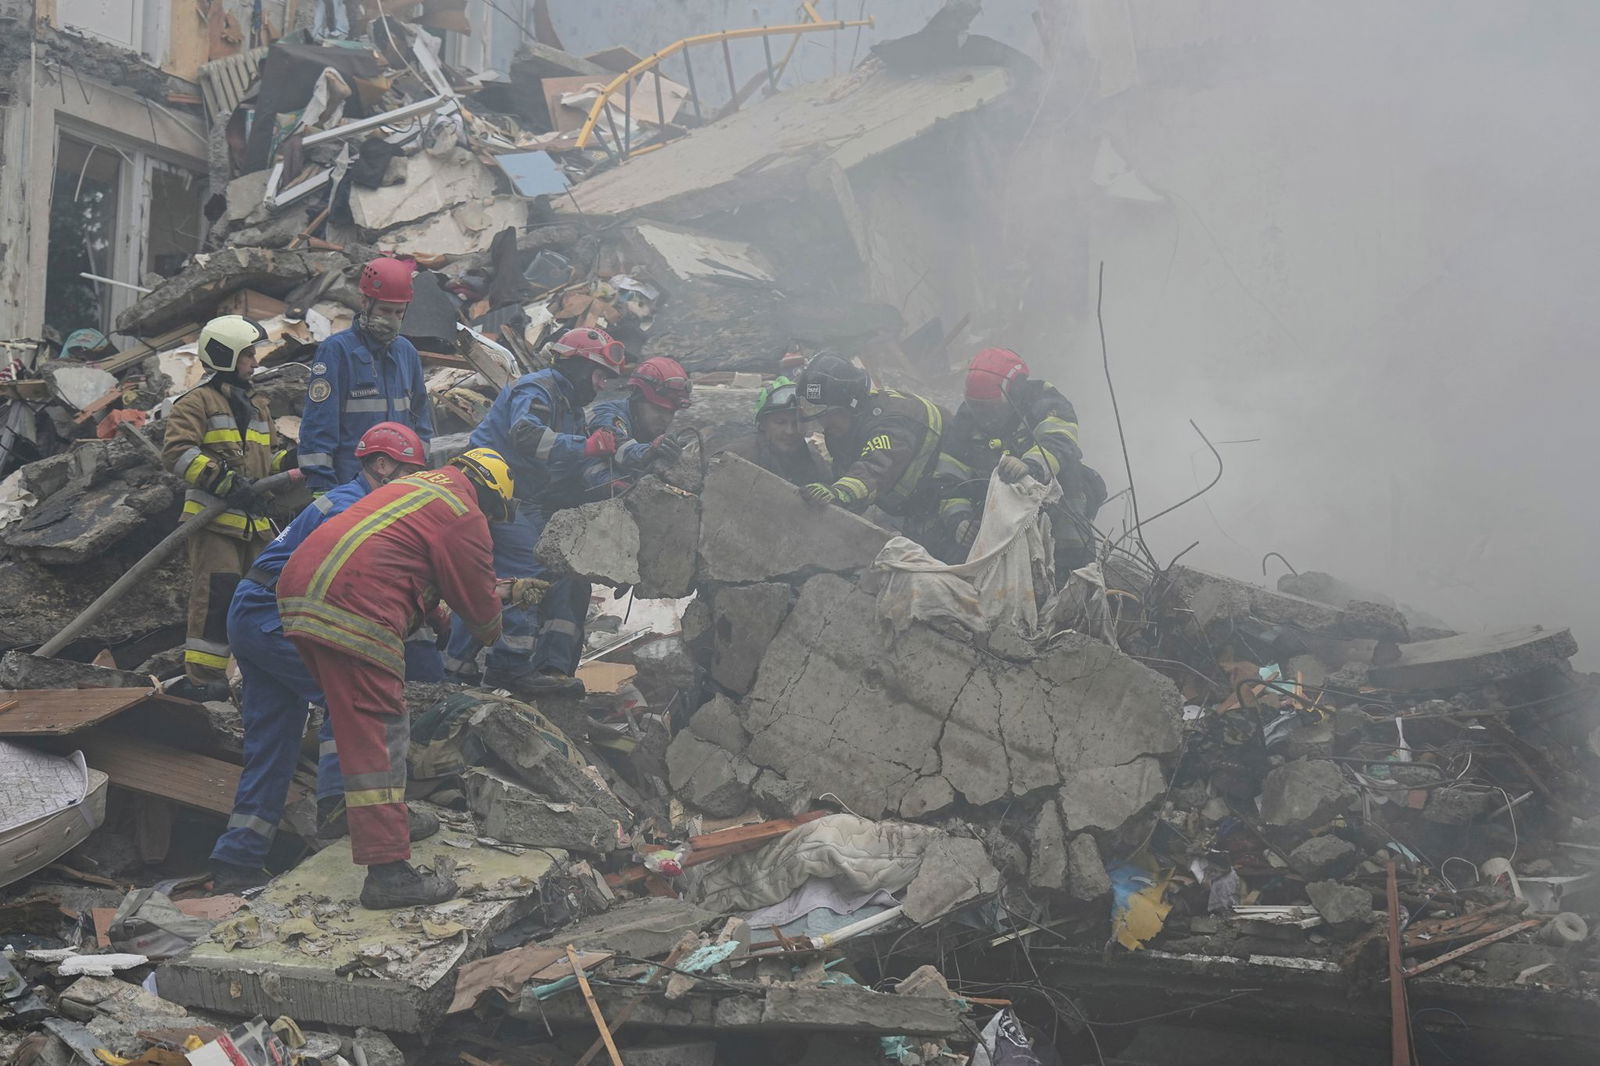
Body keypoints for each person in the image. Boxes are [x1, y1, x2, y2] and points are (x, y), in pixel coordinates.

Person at [277, 449, 542, 908]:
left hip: (304, 591)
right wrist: (504, 604)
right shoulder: (465, 514)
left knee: (356, 721)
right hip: (354, 605)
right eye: (494, 514)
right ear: (489, 496)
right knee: (380, 731)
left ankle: (382, 819)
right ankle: (388, 872)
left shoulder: (415, 489)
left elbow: (401, 559)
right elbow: (482, 617)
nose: (491, 522)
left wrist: (436, 610)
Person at [208, 423, 429, 891]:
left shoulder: (346, 500)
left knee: (272, 741)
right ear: (382, 465)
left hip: (254, 613)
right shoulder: (356, 510)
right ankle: (342, 807)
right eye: (408, 472)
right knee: (347, 698)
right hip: (275, 615)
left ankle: (236, 862)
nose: (413, 485)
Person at [442, 327, 626, 698]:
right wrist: (586, 446)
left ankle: (457, 669)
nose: (602, 385)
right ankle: (509, 668)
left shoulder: (570, 406)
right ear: (577, 365)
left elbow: (566, 463)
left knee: (552, 575)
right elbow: (525, 435)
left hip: (521, 499)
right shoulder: (538, 388)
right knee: (527, 569)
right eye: (599, 374)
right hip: (494, 494)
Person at [523, 357, 694, 690]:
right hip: (543, 507)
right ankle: (531, 670)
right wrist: (649, 456)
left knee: (574, 591)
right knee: (544, 588)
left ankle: (558, 675)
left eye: (670, 413)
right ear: (638, 398)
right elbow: (619, 456)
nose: (664, 419)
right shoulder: (609, 415)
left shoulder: (648, 431)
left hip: (577, 519)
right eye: (658, 410)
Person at [162, 315, 294, 701]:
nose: (255, 362)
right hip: (214, 521)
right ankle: (204, 681)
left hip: (254, 523)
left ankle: (255, 673)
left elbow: (266, 460)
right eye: (248, 354)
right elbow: (177, 452)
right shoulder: (195, 402)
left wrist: (292, 463)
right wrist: (222, 480)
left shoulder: (257, 405)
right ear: (225, 356)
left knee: (262, 596)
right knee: (217, 596)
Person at [936, 347, 1106, 572]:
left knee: (1072, 484)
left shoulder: (1044, 400)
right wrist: (959, 520)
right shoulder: (967, 417)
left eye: (990, 408)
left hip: (1052, 498)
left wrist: (1031, 465)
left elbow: (1060, 441)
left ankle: (1073, 576)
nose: (983, 416)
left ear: (1014, 392)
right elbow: (948, 476)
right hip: (993, 508)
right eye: (976, 407)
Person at [297, 256, 433, 493]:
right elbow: (319, 426)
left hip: (399, 487)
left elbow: (420, 419)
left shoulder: (407, 353)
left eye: (398, 312)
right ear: (364, 302)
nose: (391, 319)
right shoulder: (336, 351)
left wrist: (417, 472)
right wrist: (323, 488)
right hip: (350, 485)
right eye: (385, 310)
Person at [794, 352, 949, 530]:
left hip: (947, 505)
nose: (823, 425)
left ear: (852, 406)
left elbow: (874, 471)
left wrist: (839, 493)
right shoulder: (845, 427)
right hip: (911, 505)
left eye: (829, 415)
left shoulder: (891, 425)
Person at [724, 375, 829, 486]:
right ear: (763, 424)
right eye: (780, 422)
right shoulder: (737, 459)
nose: (790, 431)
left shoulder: (815, 462)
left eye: (796, 422)